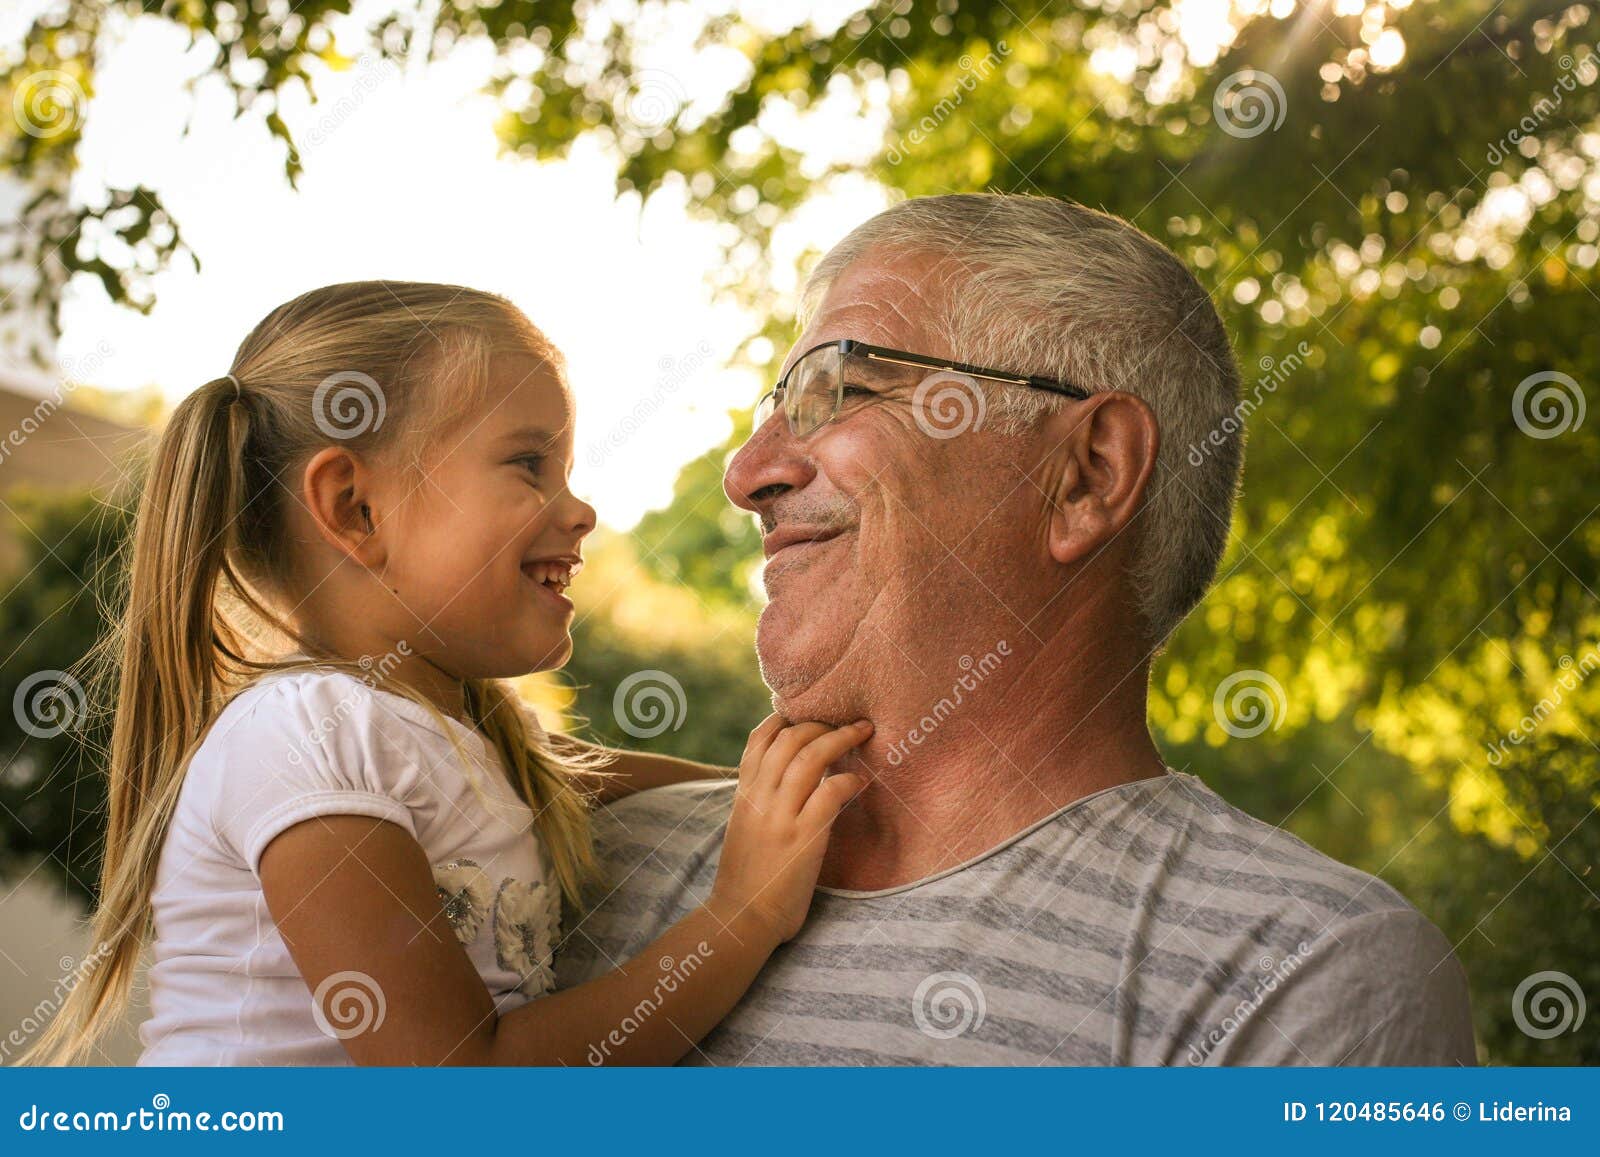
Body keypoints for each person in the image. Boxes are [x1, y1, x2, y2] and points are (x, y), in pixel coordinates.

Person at [555, 194, 1479, 1066]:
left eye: (842, 389)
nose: (748, 471)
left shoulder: (1304, 978)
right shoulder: (566, 862)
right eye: (778, 405)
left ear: (1087, 475)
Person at [26, 281, 870, 1066]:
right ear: (356, 509)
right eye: (529, 463)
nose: (581, 510)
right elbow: (458, 1088)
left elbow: (588, 777)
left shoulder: (460, 734)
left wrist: (769, 788)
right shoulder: (306, 733)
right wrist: (744, 913)